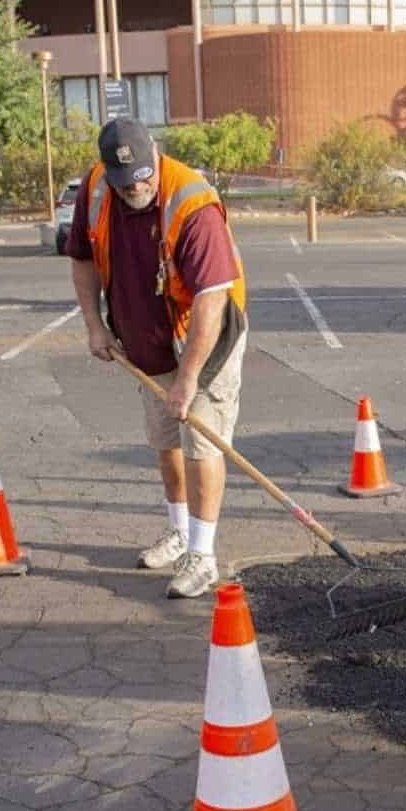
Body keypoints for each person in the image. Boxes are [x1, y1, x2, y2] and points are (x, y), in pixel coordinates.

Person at [64, 117, 248, 600]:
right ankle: (179, 532)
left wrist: (188, 380)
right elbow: (82, 259)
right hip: (144, 340)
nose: (136, 187)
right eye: (125, 182)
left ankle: (203, 556)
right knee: (164, 440)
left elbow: (212, 297)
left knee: (201, 444)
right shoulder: (97, 189)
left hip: (203, 341)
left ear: (156, 158)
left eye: (143, 176)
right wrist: (95, 326)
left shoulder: (192, 204)